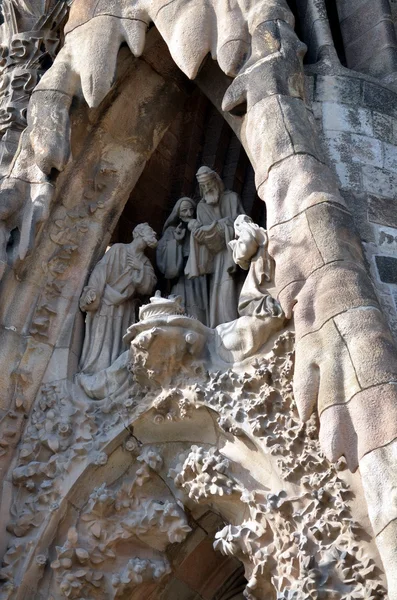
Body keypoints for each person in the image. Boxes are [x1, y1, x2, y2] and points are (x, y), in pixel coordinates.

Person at [78, 223, 157, 375]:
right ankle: (93, 373)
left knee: (118, 344)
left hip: (125, 308)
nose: (154, 232)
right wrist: (93, 292)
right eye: (149, 230)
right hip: (106, 303)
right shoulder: (118, 249)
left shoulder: (145, 263)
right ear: (138, 233)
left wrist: (139, 267)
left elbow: (148, 287)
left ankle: (112, 374)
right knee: (100, 341)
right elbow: (101, 271)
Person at [185, 166, 245, 328]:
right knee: (218, 290)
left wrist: (226, 227)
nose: (207, 189)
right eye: (203, 187)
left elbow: (244, 223)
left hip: (233, 251)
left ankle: (233, 322)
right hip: (216, 257)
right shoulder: (202, 207)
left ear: (216, 182)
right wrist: (198, 236)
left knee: (231, 286)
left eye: (209, 184)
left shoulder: (232, 198)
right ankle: (220, 324)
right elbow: (203, 234)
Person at [156, 197, 208, 323]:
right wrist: (177, 241)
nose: (188, 214)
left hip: (199, 271)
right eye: (184, 211)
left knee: (198, 300)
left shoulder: (198, 227)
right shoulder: (171, 230)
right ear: (178, 213)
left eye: (191, 210)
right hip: (181, 273)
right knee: (181, 299)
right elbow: (162, 253)